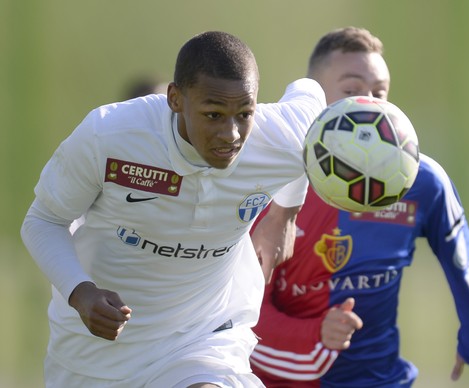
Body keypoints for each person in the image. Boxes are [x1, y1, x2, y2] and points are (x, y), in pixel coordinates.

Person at [20, 31, 326, 388]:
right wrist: (80, 291)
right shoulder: (109, 136)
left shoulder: (276, 138)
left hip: (201, 338)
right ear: (175, 98)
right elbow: (43, 220)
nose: (231, 134)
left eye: (244, 113)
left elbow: (312, 102)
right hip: (93, 355)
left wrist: (283, 214)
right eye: (213, 114)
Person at [250, 27, 469, 387]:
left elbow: (461, 257)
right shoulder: (271, 184)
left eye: (380, 92)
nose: (369, 103)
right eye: (351, 90)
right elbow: (240, 310)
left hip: (381, 379)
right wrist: (314, 333)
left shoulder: (421, 180)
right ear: (314, 98)